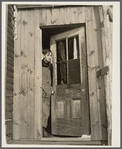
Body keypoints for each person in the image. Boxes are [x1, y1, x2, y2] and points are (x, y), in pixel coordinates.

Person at [42, 49, 53, 137]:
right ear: (44, 55)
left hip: (48, 90)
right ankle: (42, 132)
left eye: (51, 55)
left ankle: (45, 130)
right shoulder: (39, 65)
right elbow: (42, 81)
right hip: (43, 92)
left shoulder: (50, 66)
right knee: (44, 111)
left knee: (47, 111)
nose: (50, 57)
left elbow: (50, 79)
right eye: (48, 55)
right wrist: (50, 90)